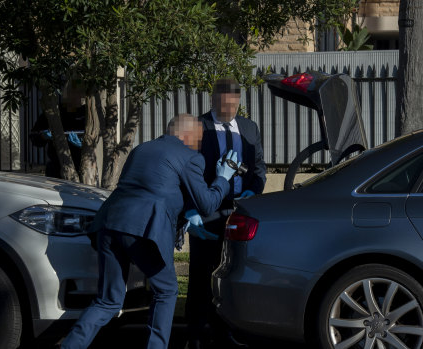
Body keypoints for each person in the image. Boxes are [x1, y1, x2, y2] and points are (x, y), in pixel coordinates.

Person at [60, 114, 240, 349]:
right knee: (166, 292)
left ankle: (70, 346)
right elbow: (206, 203)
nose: (200, 143)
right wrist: (223, 178)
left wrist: (185, 215)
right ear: (186, 135)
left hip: (109, 224)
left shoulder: (141, 149)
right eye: (199, 137)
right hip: (144, 230)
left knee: (107, 300)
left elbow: (156, 188)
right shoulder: (190, 157)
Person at [185, 78, 266, 349]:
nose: (228, 110)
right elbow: (186, 173)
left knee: (234, 270)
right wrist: (189, 210)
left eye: (233, 106)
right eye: (223, 105)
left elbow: (259, 169)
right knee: (201, 272)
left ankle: (227, 330)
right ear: (213, 100)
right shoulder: (198, 127)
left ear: (239, 101)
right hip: (207, 208)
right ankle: (196, 332)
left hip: (240, 209)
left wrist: (253, 193)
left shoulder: (249, 127)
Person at [30, 80, 85, 178]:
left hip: (83, 167)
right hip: (57, 167)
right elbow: (34, 136)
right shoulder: (55, 113)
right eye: (73, 93)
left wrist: (82, 146)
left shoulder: (87, 114)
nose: (77, 96)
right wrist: (44, 136)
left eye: (80, 92)